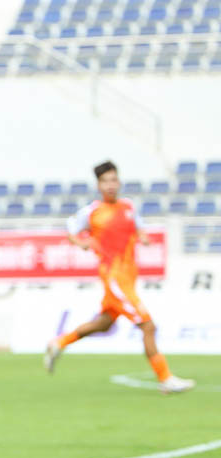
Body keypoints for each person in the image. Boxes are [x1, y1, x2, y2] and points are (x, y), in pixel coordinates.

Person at [44, 161, 194, 394]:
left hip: (128, 277)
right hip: (114, 278)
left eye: (114, 180)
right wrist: (82, 242)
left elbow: (139, 228)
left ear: (119, 181)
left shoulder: (129, 207)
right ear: (99, 185)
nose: (111, 185)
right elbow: (71, 232)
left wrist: (143, 237)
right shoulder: (92, 211)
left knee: (103, 324)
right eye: (105, 181)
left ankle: (59, 343)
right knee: (148, 325)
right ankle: (165, 378)